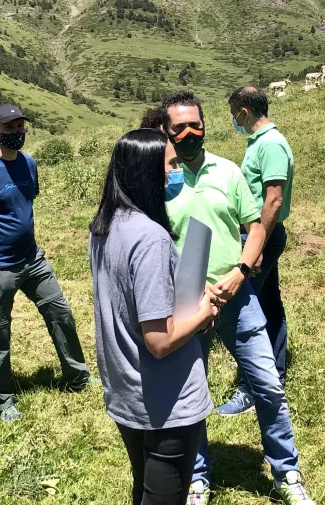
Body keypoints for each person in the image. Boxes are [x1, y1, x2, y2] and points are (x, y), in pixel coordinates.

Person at [160, 90, 316, 505]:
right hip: (186, 303)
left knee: (267, 385)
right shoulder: (159, 185)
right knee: (189, 395)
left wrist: (240, 272)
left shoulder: (227, 172)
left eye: (196, 124)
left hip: (237, 295)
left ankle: (288, 473)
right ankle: (196, 478)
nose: (190, 132)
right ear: (166, 132)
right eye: (180, 128)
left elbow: (257, 226)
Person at [89, 128, 217, 505]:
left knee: (144, 486)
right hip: (167, 401)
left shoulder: (103, 227)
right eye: (172, 165)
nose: (178, 171)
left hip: (126, 391)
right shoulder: (151, 239)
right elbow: (159, 340)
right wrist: (205, 310)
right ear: (149, 173)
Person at [0, 103, 91, 422]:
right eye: (9, 128)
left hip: (33, 259)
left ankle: (78, 377)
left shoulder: (29, 163)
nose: (16, 133)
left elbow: (24, 206)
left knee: (61, 314)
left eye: (19, 127)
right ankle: (2, 401)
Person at [217, 86, 294, 417]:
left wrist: (256, 244)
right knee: (269, 305)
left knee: (245, 313)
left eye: (234, 115)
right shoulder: (260, 143)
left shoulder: (271, 144)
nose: (233, 121)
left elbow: (273, 199)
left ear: (243, 113)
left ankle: (253, 387)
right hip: (261, 236)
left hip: (262, 237)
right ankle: (274, 374)